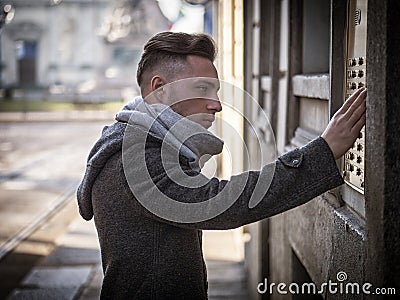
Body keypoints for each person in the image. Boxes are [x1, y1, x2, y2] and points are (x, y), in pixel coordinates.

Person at [77, 31, 366, 299]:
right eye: (202, 88)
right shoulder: (138, 160)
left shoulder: (141, 144)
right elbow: (226, 203)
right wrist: (323, 152)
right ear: (159, 89)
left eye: (216, 91)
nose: (216, 105)